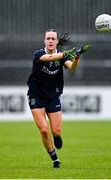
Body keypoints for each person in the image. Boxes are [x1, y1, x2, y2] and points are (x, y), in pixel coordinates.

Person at [27, 29, 90, 168]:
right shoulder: (39, 54)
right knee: (44, 129)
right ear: (44, 41)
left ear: (56, 41)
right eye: (48, 38)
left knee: (56, 131)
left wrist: (77, 57)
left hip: (53, 96)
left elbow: (71, 67)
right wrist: (66, 54)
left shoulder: (62, 56)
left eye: (52, 39)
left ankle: (56, 136)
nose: (50, 41)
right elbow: (48, 58)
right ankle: (55, 159)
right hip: (36, 95)